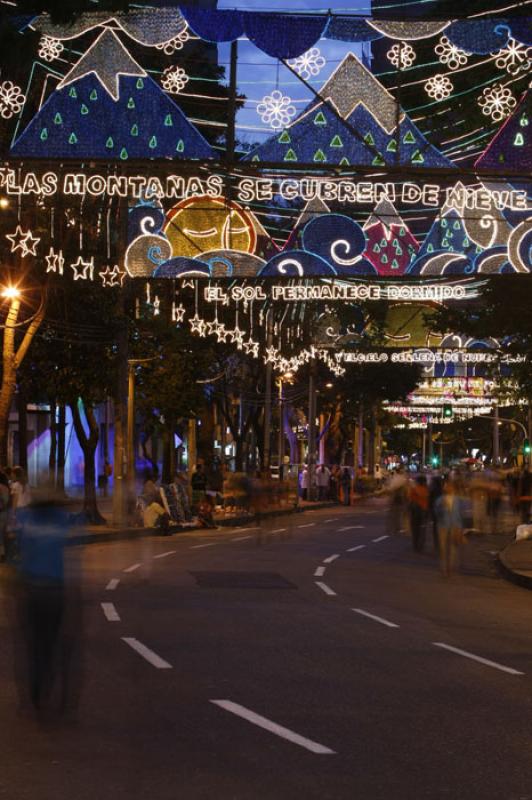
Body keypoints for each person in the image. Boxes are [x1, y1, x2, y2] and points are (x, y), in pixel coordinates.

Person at [435, 479, 465, 578]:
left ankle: (450, 567)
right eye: (446, 486)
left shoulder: (457, 500)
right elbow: (436, 513)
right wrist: (441, 507)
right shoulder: (440, 500)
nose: (448, 488)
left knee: (453, 548)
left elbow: (460, 515)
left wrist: (460, 528)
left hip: (454, 526)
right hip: (442, 526)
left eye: (450, 486)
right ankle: (443, 567)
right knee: (443, 548)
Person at [408, 474, 429, 552]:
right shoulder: (426, 489)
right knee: (422, 529)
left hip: (415, 511)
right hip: (423, 511)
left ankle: (416, 545)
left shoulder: (414, 489)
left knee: (415, 529)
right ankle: (420, 545)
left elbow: (410, 500)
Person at [0, 470, 10, 562]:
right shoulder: (6, 488)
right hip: (4, 512)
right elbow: (6, 501)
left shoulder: (1, 488)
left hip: (2, 513)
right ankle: (3, 554)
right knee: (2, 533)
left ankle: (3, 554)